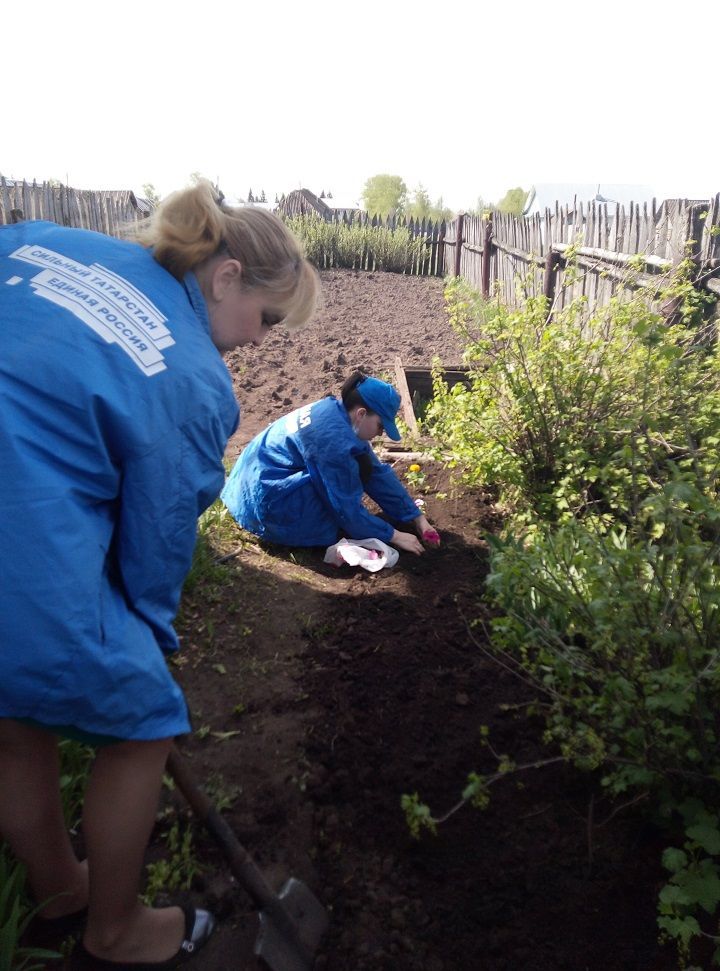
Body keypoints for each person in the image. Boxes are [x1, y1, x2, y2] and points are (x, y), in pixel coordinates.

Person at [0, 181, 319, 969]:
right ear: (227, 276)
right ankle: (116, 932)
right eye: (267, 318)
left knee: (13, 717)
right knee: (142, 719)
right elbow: (156, 548)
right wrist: (147, 638)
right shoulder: (194, 381)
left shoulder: (45, 241)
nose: (260, 341)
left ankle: (59, 890)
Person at [221, 372, 441, 556]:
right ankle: (284, 531)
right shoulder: (333, 442)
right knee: (332, 520)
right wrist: (395, 536)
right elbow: (345, 510)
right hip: (261, 503)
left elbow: (376, 473)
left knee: (361, 466)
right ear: (361, 414)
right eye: (380, 426)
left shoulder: (335, 414)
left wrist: (416, 517)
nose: (380, 433)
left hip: (248, 482)